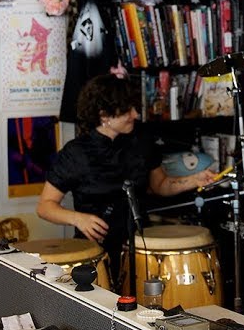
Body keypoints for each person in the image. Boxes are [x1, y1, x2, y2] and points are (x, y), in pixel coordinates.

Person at [37, 74, 219, 287]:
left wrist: (194, 180)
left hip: (140, 246)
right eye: (127, 110)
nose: (135, 114)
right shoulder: (75, 153)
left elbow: (160, 185)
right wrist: (78, 219)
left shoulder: (141, 142)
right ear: (104, 115)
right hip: (96, 252)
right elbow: (45, 206)